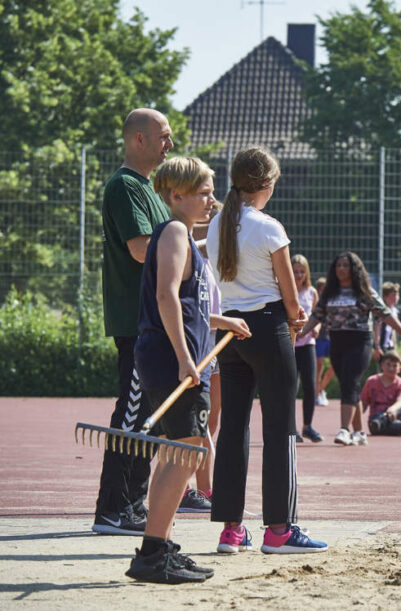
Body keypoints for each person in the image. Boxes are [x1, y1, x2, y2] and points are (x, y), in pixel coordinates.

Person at [126, 156, 251, 583]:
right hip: (168, 356)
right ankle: (152, 553)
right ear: (176, 195)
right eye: (203, 193)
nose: (212, 200)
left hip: (168, 352)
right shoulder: (176, 232)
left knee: (177, 451)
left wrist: (222, 322)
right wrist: (183, 356)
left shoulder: (180, 236)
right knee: (186, 450)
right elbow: (166, 297)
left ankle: (158, 546)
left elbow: (190, 306)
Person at [206, 147, 327, 555]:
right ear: (267, 184)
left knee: (233, 429)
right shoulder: (269, 226)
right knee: (280, 430)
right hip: (267, 327)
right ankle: (279, 529)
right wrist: (297, 319)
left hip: (230, 332)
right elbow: (291, 297)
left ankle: (231, 530)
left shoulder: (217, 223)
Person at [94, 108, 174, 536]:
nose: (170, 144)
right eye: (163, 135)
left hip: (153, 321)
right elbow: (143, 248)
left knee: (148, 414)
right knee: (132, 413)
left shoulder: (147, 188)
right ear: (137, 140)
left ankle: (131, 505)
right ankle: (113, 509)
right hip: (137, 321)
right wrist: (188, 249)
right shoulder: (125, 186)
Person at [301, 251, 401, 447]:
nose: (341, 269)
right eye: (338, 266)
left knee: (351, 381)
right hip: (337, 341)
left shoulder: (365, 292)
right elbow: (317, 315)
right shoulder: (330, 292)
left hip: (360, 341)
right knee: (349, 385)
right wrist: (301, 332)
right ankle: (359, 432)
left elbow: (386, 314)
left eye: (345, 266)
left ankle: (344, 430)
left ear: (354, 269)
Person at [177, 202, 224, 514]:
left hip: (214, 342)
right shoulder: (184, 250)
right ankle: (193, 489)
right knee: (196, 422)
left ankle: (204, 488)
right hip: (198, 345)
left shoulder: (211, 260)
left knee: (212, 417)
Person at [292, 254, 323, 442]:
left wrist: (317, 328)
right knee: (291, 387)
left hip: (308, 344)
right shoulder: (284, 290)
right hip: (290, 344)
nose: (298, 275)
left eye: (302, 272)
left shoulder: (311, 292)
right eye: (295, 271)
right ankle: (291, 428)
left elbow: (317, 316)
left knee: (310, 386)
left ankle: (307, 426)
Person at [313, 277, 335, 407]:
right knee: (319, 365)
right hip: (319, 338)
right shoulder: (316, 303)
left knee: (334, 366)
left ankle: (320, 389)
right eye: (321, 289)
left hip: (330, 337)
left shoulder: (333, 302)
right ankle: (316, 395)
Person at [372, 282, 401, 363]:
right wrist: (377, 347)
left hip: (390, 346)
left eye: (397, 295)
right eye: (393, 295)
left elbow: (394, 330)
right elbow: (377, 329)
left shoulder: (395, 311)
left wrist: (395, 348)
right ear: (385, 297)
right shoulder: (381, 311)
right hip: (382, 346)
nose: (396, 298)